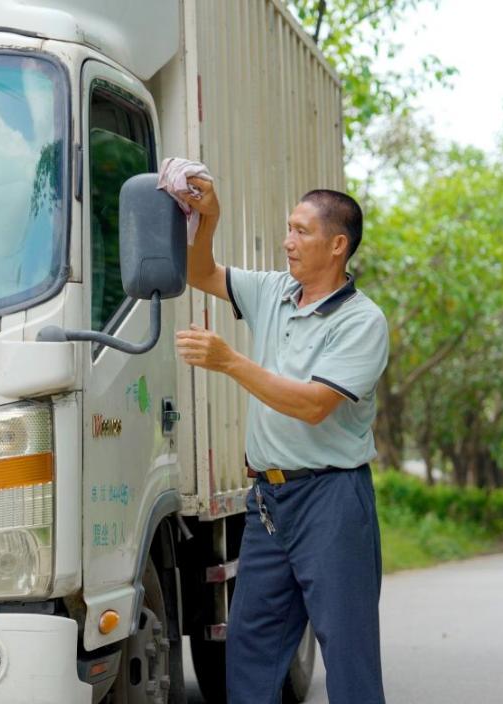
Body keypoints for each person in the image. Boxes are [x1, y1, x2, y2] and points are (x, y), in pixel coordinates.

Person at [175, 177, 389, 703]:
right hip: (268, 503)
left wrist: (231, 362)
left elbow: (313, 405)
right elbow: (198, 271)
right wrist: (210, 219)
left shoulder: (362, 322)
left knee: (348, 652)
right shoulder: (273, 292)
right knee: (250, 649)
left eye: (300, 231)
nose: (288, 241)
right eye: (288, 230)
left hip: (332, 501)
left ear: (337, 245)